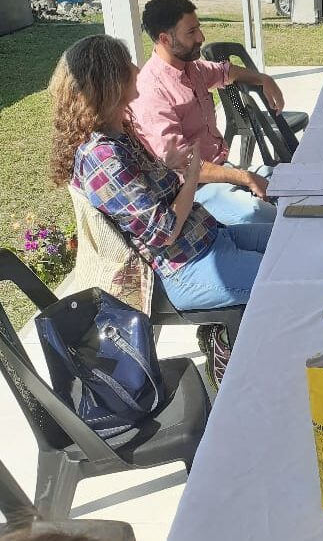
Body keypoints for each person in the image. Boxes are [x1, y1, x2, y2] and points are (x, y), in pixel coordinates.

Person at [50, 35, 271, 383]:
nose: (137, 69)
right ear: (108, 83)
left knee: (290, 239)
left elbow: (156, 198)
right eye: (127, 67)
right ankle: (255, 367)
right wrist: (192, 173)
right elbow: (164, 231)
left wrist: (169, 169)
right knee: (286, 276)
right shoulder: (101, 158)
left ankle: (221, 338)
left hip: (208, 238)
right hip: (182, 267)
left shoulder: (120, 132)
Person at [130, 0, 280, 227]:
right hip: (193, 191)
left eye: (198, 28)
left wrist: (263, 78)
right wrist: (245, 177)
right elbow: (185, 166)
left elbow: (225, 72)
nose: (201, 37)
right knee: (266, 217)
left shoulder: (192, 68)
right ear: (165, 39)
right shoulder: (151, 91)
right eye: (191, 33)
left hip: (222, 171)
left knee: (290, 184)